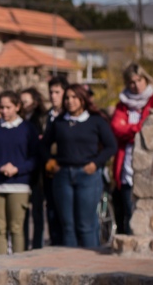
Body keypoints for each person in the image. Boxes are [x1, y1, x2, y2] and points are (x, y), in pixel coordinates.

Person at [43, 85, 117, 248]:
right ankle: (71, 269)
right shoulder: (59, 122)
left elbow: (111, 146)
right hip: (63, 176)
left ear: (83, 99)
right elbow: (44, 145)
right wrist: (51, 162)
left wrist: (95, 163)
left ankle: (92, 267)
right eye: (67, 98)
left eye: (74, 97)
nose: (70, 101)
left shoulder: (95, 120)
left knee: (86, 226)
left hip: (88, 176)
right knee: (68, 227)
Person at [0, 91, 39, 255]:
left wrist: (18, 169)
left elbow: (35, 156)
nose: (4, 111)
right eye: (1, 107)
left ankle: (17, 266)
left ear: (17, 107)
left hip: (19, 184)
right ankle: (0, 266)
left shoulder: (27, 128)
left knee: (17, 228)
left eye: (8, 107)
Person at [110, 63, 153, 235]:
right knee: (130, 213)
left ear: (145, 79)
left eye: (139, 80)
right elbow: (117, 128)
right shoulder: (122, 104)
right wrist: (139, 128)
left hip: (151, 166)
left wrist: (131, 128)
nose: (136, 85)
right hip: (127, 167)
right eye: (131, 82)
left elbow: (152, 128)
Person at [19, 87, 47, 249]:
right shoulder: (18, 121)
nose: (23, 105)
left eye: (26, 102)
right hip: (22, 168)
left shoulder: (42, 120)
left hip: (38, 171)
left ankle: (37, 245)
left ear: (35, 103)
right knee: (22, 212)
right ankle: (21, 245)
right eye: (20, 102)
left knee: (37, 210)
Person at [44, 76, 68, 246]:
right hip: (49, 171)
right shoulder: (46, 116)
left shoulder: (70, 116)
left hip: (67, 169)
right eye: (51, 92)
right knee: (51, 213)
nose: (53, 96)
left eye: (57, 92)